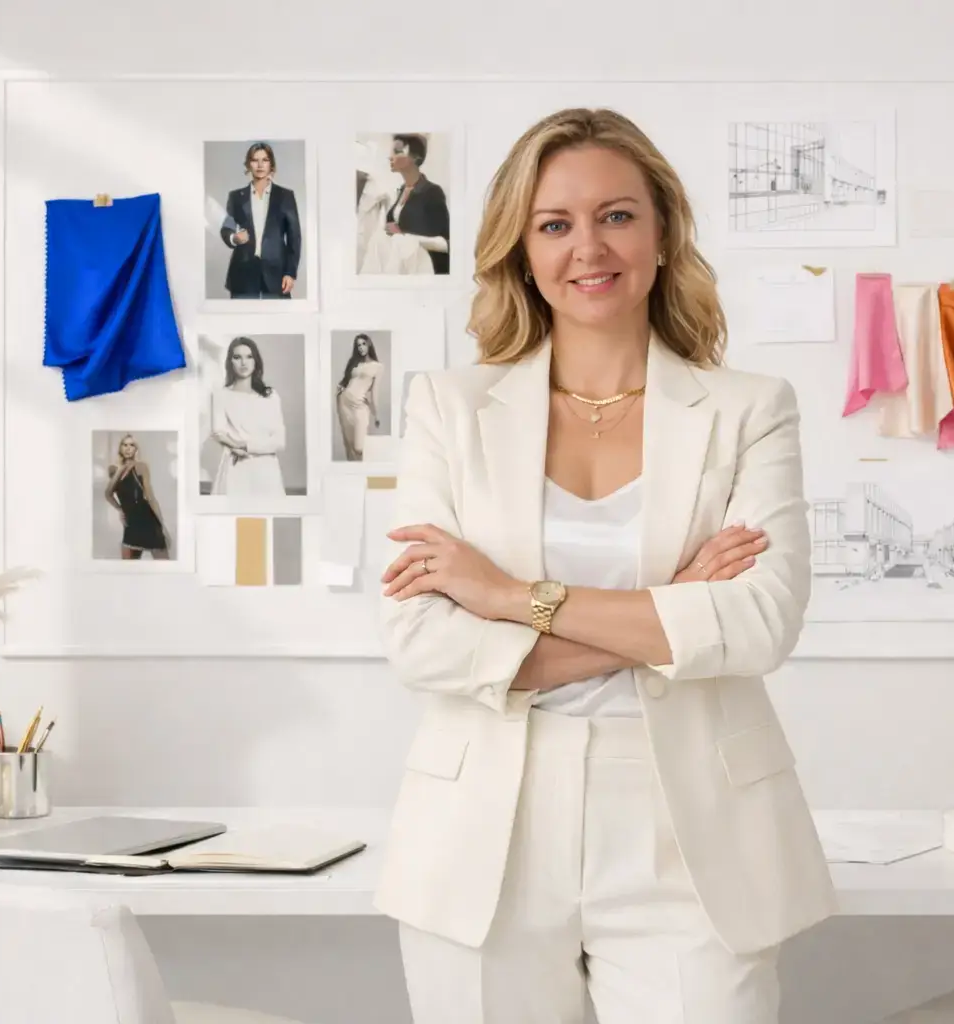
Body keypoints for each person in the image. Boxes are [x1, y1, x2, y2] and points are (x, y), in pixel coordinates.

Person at [375, 107, 835, 1023]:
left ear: (663, 233)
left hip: (694, 827)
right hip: (482, 833)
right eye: (555, 224)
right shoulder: (448, 408)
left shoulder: (749, 409)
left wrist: (508, 598)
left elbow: (757, 623)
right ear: (523, 248)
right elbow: (421, 641)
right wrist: (667, 612)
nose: (589, 247)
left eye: (617, 215)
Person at [358, 133, 450, 276]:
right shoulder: (400, 192)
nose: (390, 156)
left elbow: (445, 243)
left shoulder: (432, 192)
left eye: (397, 151)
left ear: (415, 157)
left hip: (424, 273)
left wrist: (403, 235)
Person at [219, 141, 302, 299]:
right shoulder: (236, 197)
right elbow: (226, 228)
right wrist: (234, 238)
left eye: (265, 160)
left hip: (276, 274)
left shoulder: (286, 196)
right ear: (249, 164)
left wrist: (290, 273)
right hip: (243, 273)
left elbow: (294, 238)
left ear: (271, 164)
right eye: (255, 160)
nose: (260, 165)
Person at [209, 337, 286, 495]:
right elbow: (218, 432)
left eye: (249, 357)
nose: (244, 363)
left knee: (266, 518)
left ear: (256, 361)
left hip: (266, 472)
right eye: (237, 357)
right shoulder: (221, 395)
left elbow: (279, 442)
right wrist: (234, 448)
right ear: (230, 362)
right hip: (235, 469)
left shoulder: (270, 396)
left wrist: (243, 446)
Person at [104, 434, 170, 559]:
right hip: (130, 524)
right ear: (120, 448)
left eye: (132, 445)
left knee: (164, 565)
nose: (128, 448)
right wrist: (119, 509)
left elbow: (150, 497)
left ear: (136, 449)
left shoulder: (141, 467)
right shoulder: (113, 469)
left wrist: (162, 526)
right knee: (128, 570)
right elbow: (108, 493)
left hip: (148, 522)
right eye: (125, 445)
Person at [335, 333, 383, 461]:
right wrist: (340, 388)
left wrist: (376, 414)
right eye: (358, 345)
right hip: (344, 403)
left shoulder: (377, 367)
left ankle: (365, 473)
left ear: (369, 344)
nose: (361, 347)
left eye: (363, 344)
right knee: (349, 445)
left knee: (359, 447)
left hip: (359, 406)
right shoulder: (354, 363)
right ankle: (355, 476)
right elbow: (346, 381)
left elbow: (374, 392)